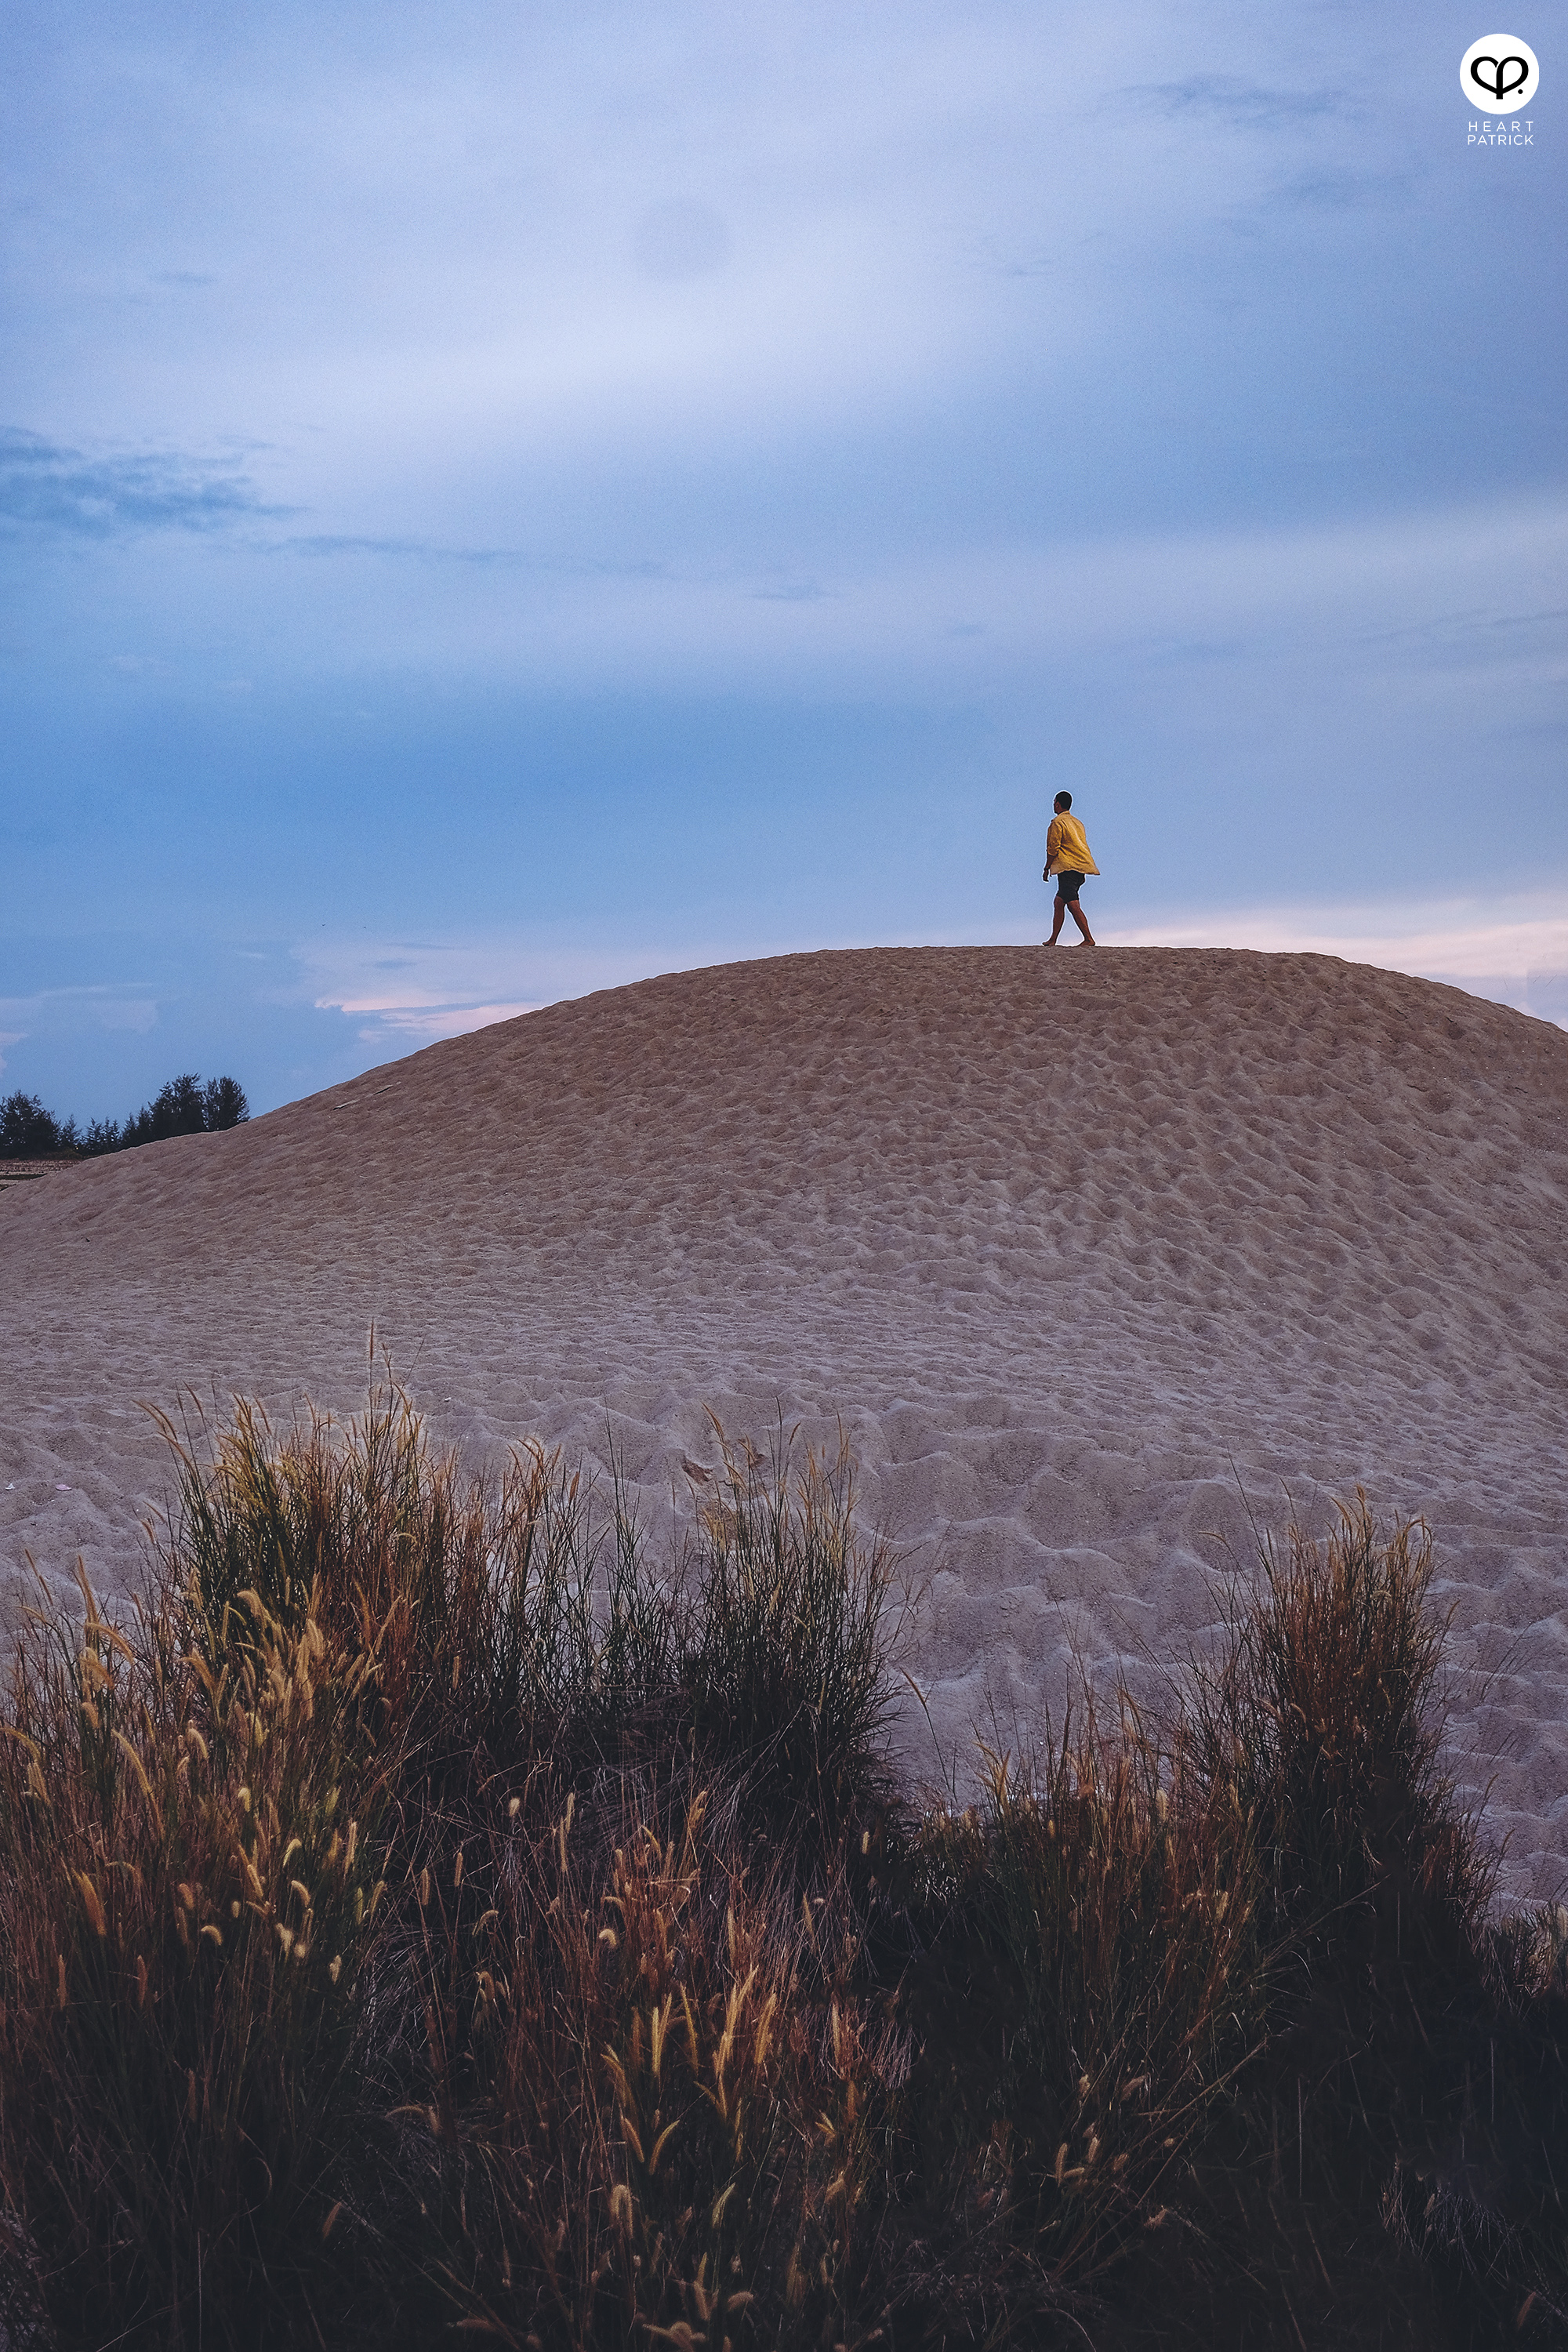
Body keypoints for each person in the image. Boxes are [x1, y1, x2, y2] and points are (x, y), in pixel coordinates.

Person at [1042, 791, 1099, 946]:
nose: (1053, 804)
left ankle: (1088, 938)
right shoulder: (1077, 823)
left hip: (1068, 867)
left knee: (1073, 904)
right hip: (1081, 867)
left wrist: (1047, 867)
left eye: (1054, 802)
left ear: (1058, 804)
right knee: (1059, 902)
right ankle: (1053, 939)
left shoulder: (1058, 823)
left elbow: (1053, 848)